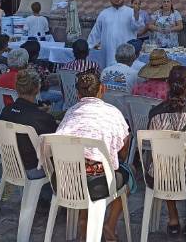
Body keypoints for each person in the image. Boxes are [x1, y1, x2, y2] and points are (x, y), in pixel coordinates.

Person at [55, 71, 130, 241]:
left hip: (66, 180)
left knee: (83, 167)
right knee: (128, 174)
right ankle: (109, 226)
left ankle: (83, 220)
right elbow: (123, 150)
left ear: (78, 93)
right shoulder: (113, 113)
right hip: (98, 183)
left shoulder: (70, 113)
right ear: (102, 89)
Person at [145, 66, 186, 235]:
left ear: (167, 84)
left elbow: (151, 145)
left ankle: (173, 217)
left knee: (164, 164)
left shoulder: (154, 113)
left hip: (159, 176)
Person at [0, 69, 58, 189]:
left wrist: (39, 113)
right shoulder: (42, 118)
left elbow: (24, 114)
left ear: (16, 87)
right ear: (37, 89)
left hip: (10, 164)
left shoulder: (6, 111)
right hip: (33, 168)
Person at [88, 0, 136, 67]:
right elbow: (96, 31)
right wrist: (88, 46)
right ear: (110, 0)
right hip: (109, 50)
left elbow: (137, 26)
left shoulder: (131, 12)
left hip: (126, 51)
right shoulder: (104, 13)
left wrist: (136, 14)